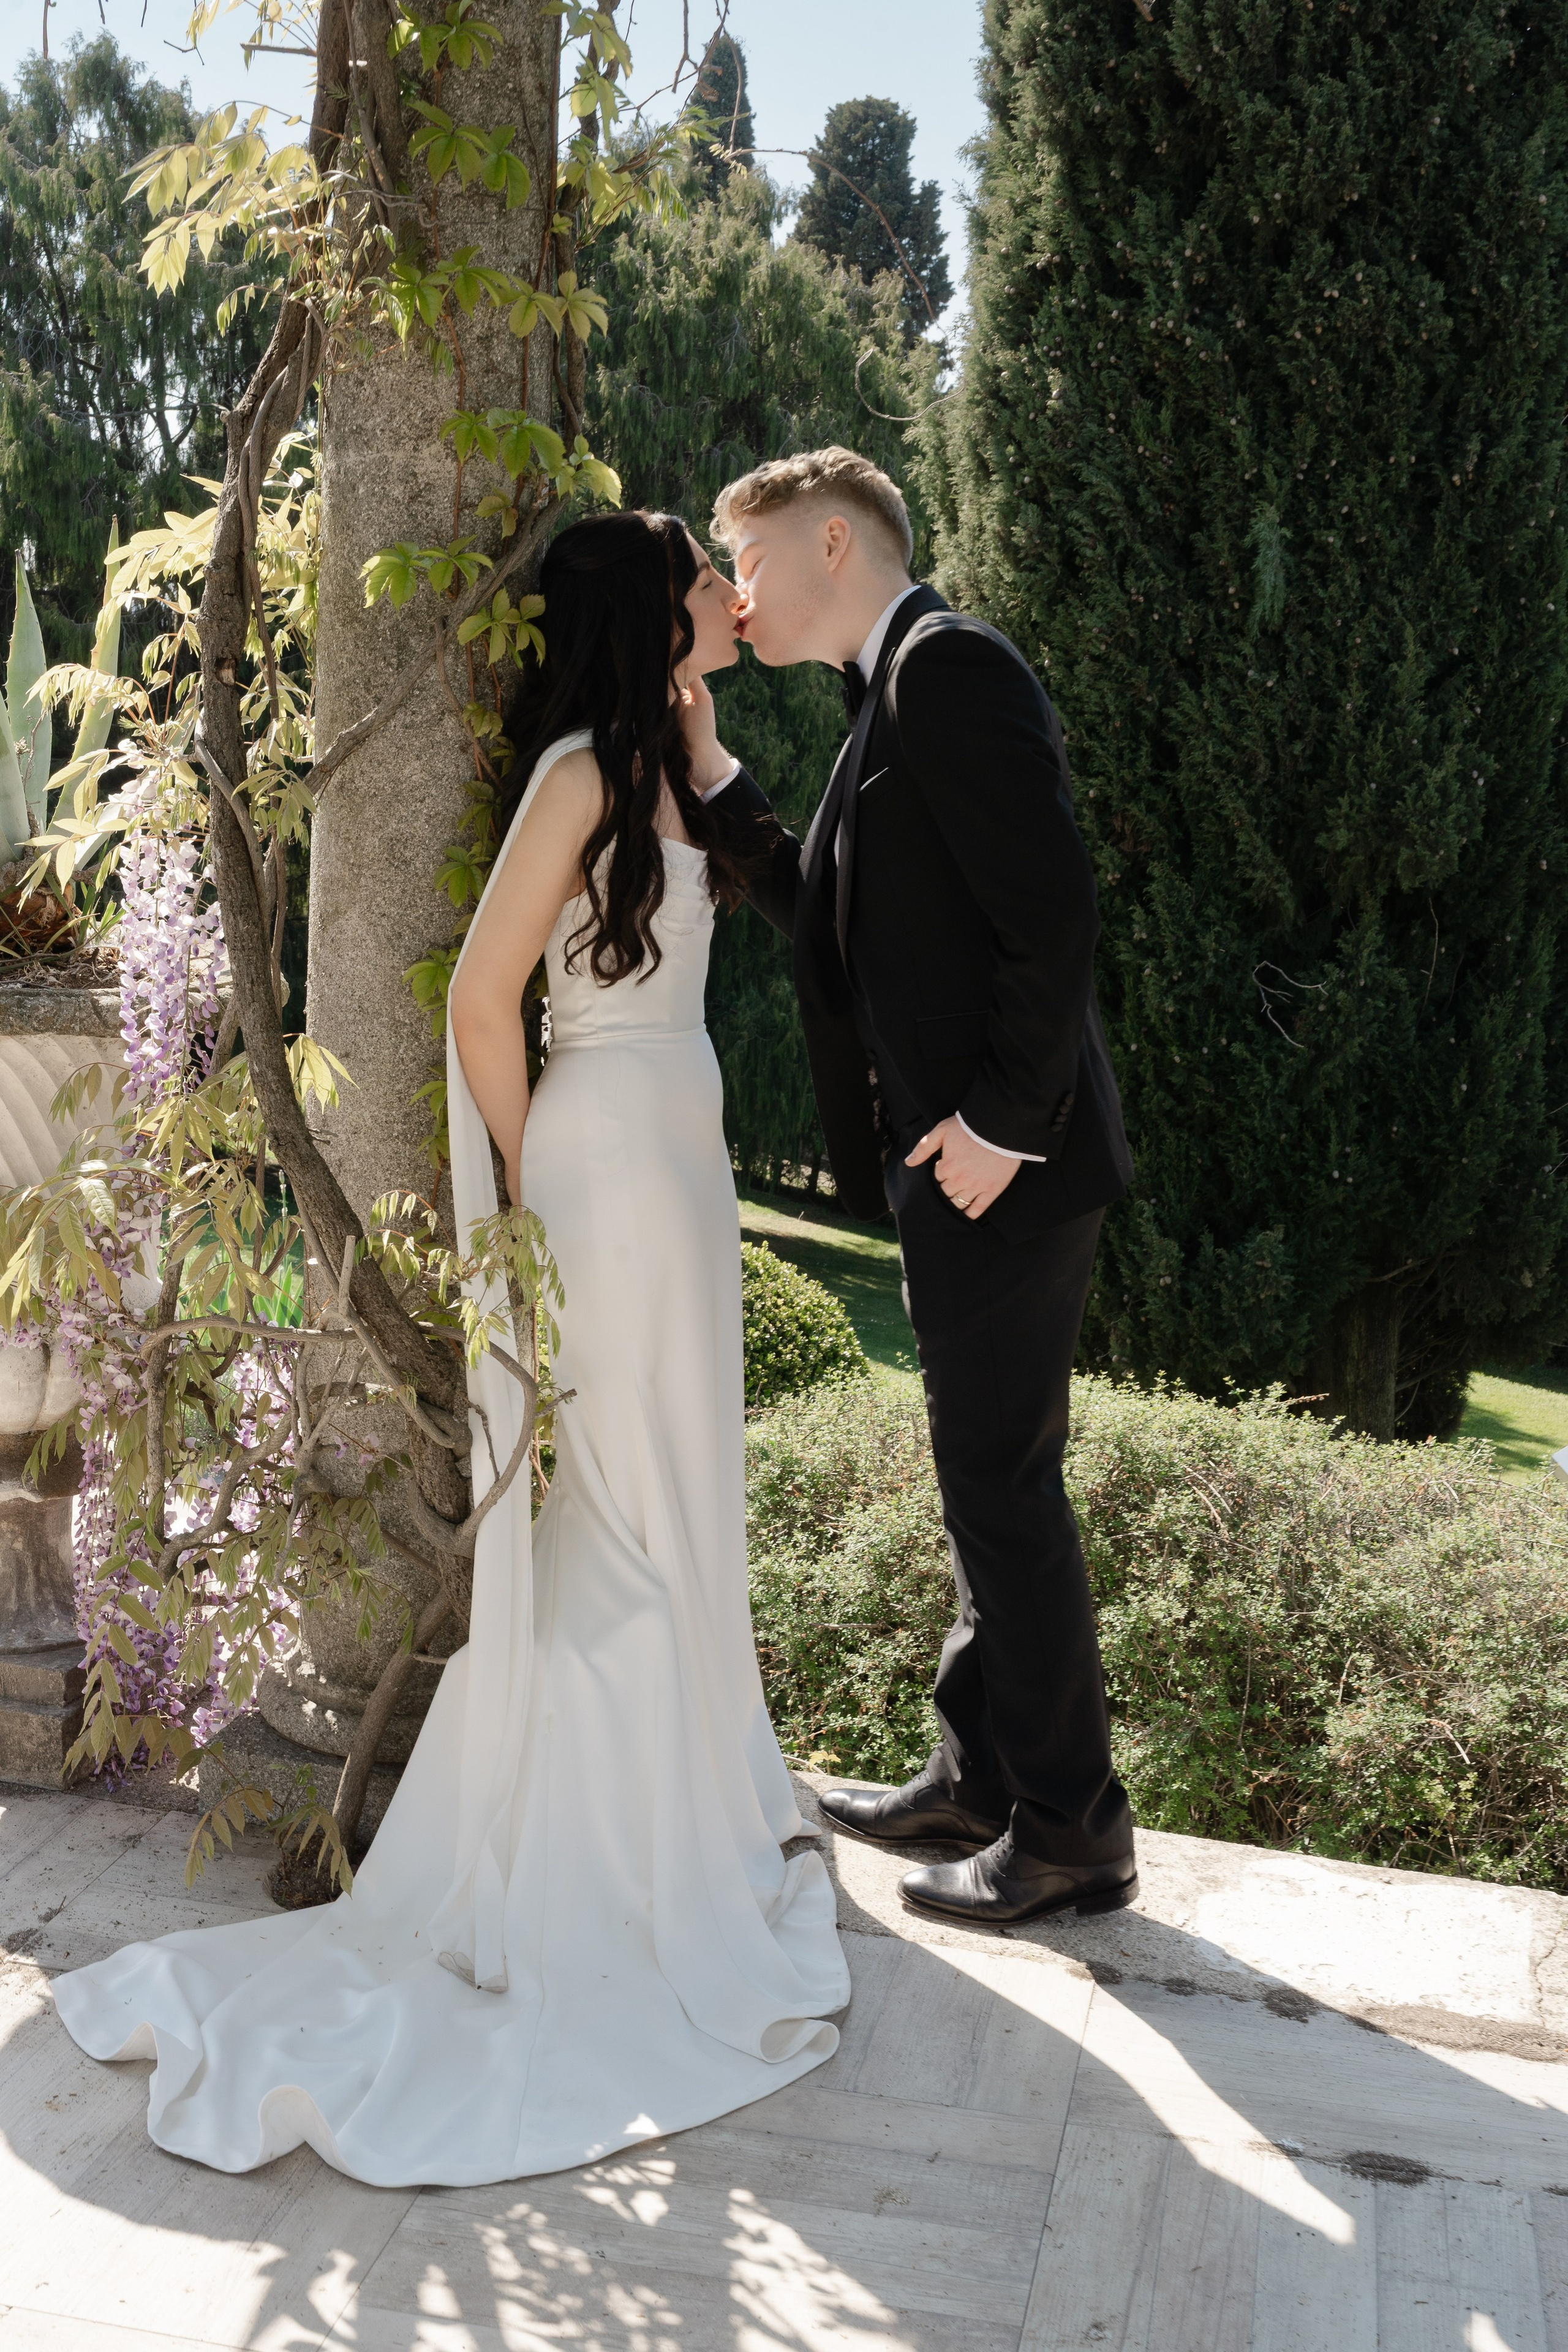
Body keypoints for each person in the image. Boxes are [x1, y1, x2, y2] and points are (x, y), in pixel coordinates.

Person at [50, 510, 848, 2188]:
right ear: (653, 610)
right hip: (608, 1153)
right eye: (707, 577)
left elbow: (779, 898)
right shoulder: (575, 772)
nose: (730, 591)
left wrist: (708, 745)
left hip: (678, 1152)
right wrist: (538, 1168)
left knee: (682, 1475)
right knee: (624, 1489)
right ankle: (616, 1850)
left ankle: (693, 1801)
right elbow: (484, 997)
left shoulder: (667, 759)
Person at [690, 447, 1138, 1928]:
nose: (732, 596)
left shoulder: (947, 669)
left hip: (1002, 1170)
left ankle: (1071, 1827)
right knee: (981, 1481)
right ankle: (977, 1772)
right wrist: (707, 776)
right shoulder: (886, 695)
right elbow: (824, 906)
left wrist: (998, 1129)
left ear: (830, 540)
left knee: (1000, 1488)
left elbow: (1053, 909)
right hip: (964, 1171)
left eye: (739, 561)